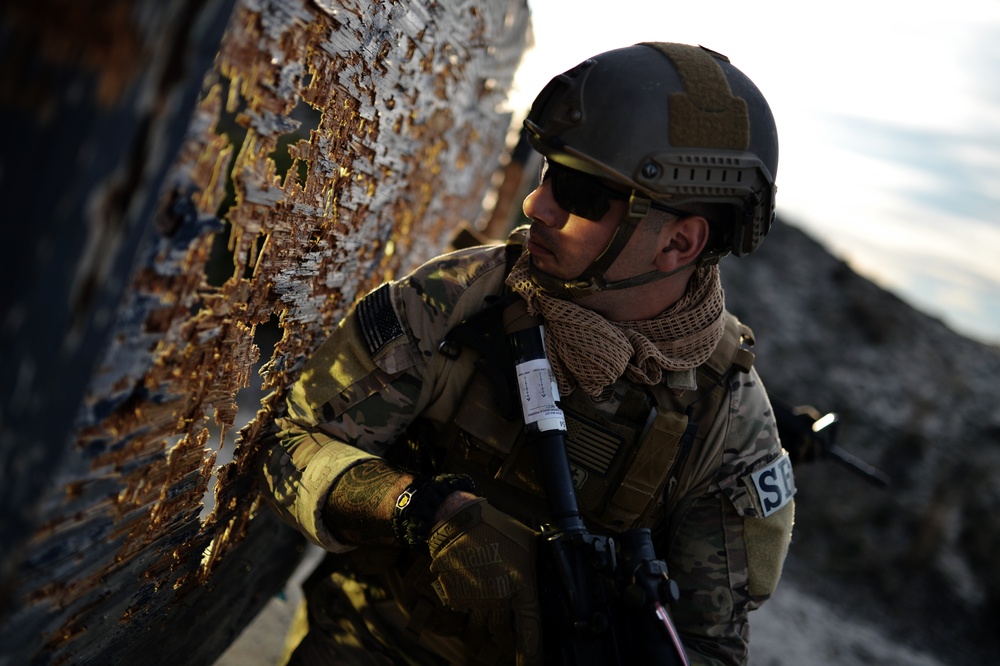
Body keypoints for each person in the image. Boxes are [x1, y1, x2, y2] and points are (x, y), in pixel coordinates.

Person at [261, 41, 795, 666]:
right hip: (373, 644)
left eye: (579, 192)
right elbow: (291, 440)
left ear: (678, 241)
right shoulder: (460, 300)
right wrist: (415, 509)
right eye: (548, 173)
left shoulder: (727, 423)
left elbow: (709, 647)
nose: (535, 205)